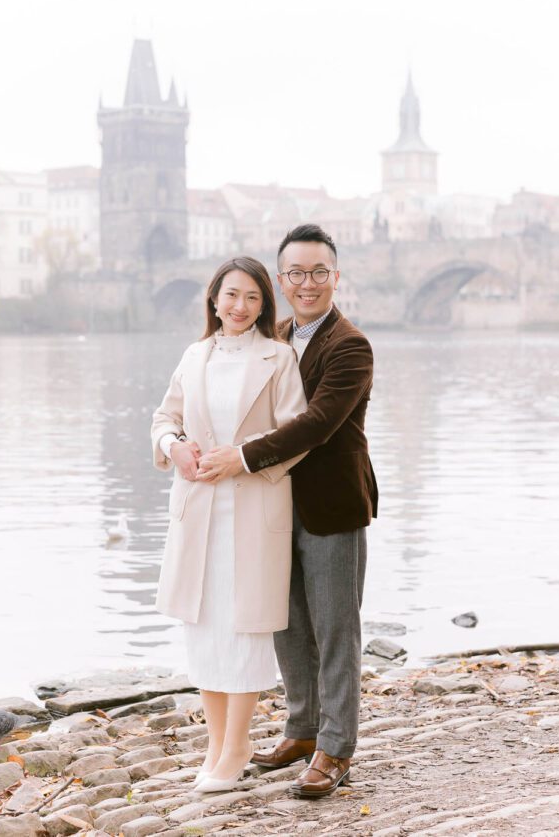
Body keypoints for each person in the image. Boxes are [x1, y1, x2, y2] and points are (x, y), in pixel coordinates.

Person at [197, 224, 378, 799]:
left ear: (334, 277)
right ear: (281, 280)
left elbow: (318, 423)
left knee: (335, 629)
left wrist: (242, 456)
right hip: (270, 506)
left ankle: (335, 746)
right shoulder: (270, 336)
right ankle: (300, 730)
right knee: (287, 623)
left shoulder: (350, 346)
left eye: (318, 272)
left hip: (330, 505)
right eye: (295, 273)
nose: (307, 283)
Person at [151, 256, 306, 793]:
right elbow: (164, 419)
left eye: (253, 298)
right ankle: (216, 744)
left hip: (253, 507)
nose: (240, 307)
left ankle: (238, 745)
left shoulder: (278, 358)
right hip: (198, 512)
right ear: (214, 298)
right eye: (231, 295)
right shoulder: (195, 355)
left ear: (265, 304)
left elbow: (296, 434)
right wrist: (175, 448)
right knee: (204, 630)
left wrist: (241, 457)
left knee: (245, 630)